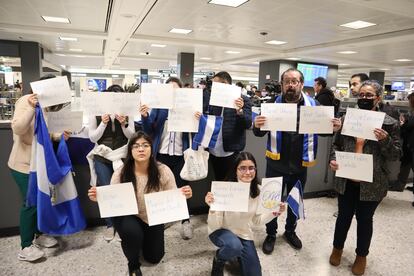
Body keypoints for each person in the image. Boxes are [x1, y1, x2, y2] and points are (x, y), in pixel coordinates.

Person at [253, 68, 341, 253]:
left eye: (295, 81)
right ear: (282, 85)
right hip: (276, 164)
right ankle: (270, 233)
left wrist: (333, 127)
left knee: (295, 201)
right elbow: (259, 132)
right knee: (272, 201)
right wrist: (256, 125)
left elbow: (324, 131)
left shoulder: (314, 105)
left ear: (301, 84)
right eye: (287, 82)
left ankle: (290, 231)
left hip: (300, 165)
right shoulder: (271, 104)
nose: (291, 85)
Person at [88, 131, 193, 276]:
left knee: (155, 257)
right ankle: (133, 264)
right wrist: (99, 198)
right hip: (128, 215)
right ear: (130, 151)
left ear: (151, 149)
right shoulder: (121, 173)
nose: (141, 149)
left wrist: (184, 195)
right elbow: (112, 199)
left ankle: (141, 239)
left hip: (152, 217)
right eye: (136, 146)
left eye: (145, 145)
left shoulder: (163, 170)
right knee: (132, 233)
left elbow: (173, 195)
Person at [328, 80, 401, 275]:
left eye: (369, 95)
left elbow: (395, 155)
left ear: (378, 98)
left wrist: (385, 140)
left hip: (373, 182)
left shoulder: (389, 124)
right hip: (346, 178)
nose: (365, 98)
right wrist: (334, 161)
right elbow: (336, 145)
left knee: (365, 219)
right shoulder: (347, 118)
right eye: (361, 95)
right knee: (343, 217)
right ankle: (337, 248)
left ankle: (361, 256)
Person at [8, 74, 70, 262]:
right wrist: (32, 107)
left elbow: (46, 135)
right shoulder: (25, 102)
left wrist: (60, 136)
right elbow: (18, 128)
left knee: (41, 201)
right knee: (30, 204)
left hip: (39, 165)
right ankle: (25, 246)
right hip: (23, 165)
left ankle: (38, 235)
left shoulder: (48, 108)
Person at [205, 152, 285, 276]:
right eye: (242, 168)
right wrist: (213, 208)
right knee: (234, 246)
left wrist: (274, 213)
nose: (247, 172)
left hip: (243, 233)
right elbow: (215, 224)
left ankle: (234, 253)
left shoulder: (258, 191)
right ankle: (219, 259)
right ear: (235, 170)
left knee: (255, 274)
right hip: (220, 230)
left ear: (255, 170)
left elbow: (256, 221)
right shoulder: (225, 189)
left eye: (251, 168)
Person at [140, 77, 196, 240]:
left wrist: (197, 119)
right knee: (159, 188)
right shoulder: (159, 107)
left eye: (175, 89)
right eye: (169, 89)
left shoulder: (188, 108)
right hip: (161, 155)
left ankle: (185, 222)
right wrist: (145, 116)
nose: (172, 92)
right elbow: (149, 129)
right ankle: (162, 219)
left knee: (183, 188)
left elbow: (195, 133)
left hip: (180, 156)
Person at [88, 84, 136, 241]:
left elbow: (131, 135)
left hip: (122, 155)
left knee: (123, 189)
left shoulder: (127, 111)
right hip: (103, 156)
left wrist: (124, 124)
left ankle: (123, 225)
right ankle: (110, 225)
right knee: (106, 190)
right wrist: (103, 123)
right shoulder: (95, 111)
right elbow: (93, 138)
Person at [203, 71, 252, 181]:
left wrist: (240, 111)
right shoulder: (212, 100)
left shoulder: (243, 100)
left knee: (231, 182)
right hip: (212, 149)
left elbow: (247, 124)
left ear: (225, 84)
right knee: (215, 181)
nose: (213, 88)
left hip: (231, 150)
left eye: (216, 84)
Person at [394, 92, 414, 202]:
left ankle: (399, 184)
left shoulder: (412, 115)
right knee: (406, 165)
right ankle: (400, 184)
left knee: (406, 164)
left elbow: (408, 125)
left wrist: (403, 123)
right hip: (409, 145)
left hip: (411, 145)